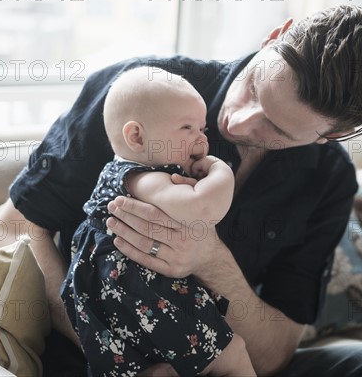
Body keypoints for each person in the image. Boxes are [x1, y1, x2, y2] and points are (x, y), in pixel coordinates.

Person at [0, 5, 362, 376]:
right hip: (99, 353)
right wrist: (107, 342)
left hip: (224, 354)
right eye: (255, 87)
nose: (237, 120)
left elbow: (275, 352)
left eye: (278, 129)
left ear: (332, 135)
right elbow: (13, 228)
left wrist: (209, 258)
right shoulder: (139, 95)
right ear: (276, 34)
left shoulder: (328, 179)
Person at [60, 66, 255, 376]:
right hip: (144, 301)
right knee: (233, 355)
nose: (201, 140)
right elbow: (202, 209)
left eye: (202, 129)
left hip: (125, 313)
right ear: (137, 136)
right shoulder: (141, 179)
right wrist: (221, 171)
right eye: (187, 128)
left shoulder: (131, 176)